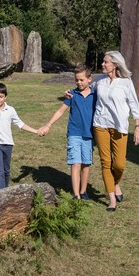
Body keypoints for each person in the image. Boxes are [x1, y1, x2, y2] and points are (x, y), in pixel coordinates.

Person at [91, 50, 139, 212]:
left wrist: (138, 127)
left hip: (120, 127)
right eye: (103, 62)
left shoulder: (126, 82)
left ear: (115, 65)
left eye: (105, 62)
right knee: (106, 162)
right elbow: (84, 86)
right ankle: (112, 199)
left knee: (119, 164)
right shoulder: (99, 81)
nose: (102, 64)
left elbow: (134, 105)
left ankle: (115, 183)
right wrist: (71, 93)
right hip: (100, 125)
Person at [39, 64, 96, 200]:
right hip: (74, 134)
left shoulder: (96, 95)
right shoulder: (72, 95)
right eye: (76, 80)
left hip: (89, 135)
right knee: (75, 163)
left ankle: (83, 191)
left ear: (90, 79)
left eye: (81, 80)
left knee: (86, 164)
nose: (78, 82)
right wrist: (48, 125)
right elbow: (60, 111)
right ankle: (76, 194)